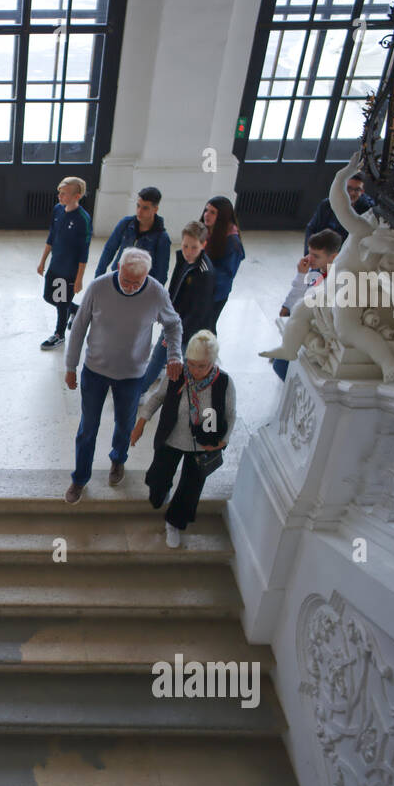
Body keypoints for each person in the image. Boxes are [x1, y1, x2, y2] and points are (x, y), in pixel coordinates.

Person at [63, 248, 183, 504]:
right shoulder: (98, 287)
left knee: (124, 425)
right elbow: (79, 326)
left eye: (136, 282)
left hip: (131, 375)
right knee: (88, 428)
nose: (129, 287)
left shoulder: (156, 293)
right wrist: (71, 366)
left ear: (147, 277)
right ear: (118, 267)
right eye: (126, 280)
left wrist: (175, 355)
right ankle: (80, 478)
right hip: (95, 371)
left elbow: (173, 324)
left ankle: (118, 460)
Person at [130, 330, 235, 548]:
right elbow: (157, 397)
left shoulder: (223, 382)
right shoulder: (176, 373)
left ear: (213, 362)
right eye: (192, 364)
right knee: (158, 481)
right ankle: (162, 491)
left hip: (203, 445)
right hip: (171, 439)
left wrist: (222, 442)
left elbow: (230, 414)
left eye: (202, 366)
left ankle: (174, 523)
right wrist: (141, 423)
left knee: (190, 488)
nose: (195, 370)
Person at [139, 220, 215, 391]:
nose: (188, 251)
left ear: (204, 245)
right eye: (186, 246)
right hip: (173, 322)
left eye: (194, 247)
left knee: (180, 370)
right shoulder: (183, 258)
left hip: (186, 332)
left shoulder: (204, 273)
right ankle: (140, 391)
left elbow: (198, 313)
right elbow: (174, 290)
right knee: (157, 359)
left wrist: (175, 335)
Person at [271, 228, 342, 381]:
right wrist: (301, 275)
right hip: (302, 326)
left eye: (316, 256)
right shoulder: (317, 272)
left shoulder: (336, 280)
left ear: (333, 257)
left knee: (281, 366)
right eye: (309, 253)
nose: (310, 259)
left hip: (316, 334)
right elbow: (301, 297)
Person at [37, 176, 92, 349]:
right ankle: (74, 309)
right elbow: (51, 237)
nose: (60, 197)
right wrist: (42, 261)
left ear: (77, 196)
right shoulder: (58, 210)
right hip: (55, 265)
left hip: (69, 270)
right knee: (48, 296)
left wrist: (79, 278)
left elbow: (84, 251)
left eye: (64, 194)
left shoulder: (83, 219)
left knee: (61, 303)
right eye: (59, 193)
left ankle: (59, 334)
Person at [94, 187, 171, 288]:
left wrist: (152, 295)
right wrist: (97, 280)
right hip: (118, 278)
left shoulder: (162, 238)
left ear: (155, 209)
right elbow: (109, 250)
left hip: (141, 286)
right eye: (138, 206)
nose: (139, 211)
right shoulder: (125, 224)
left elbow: (162, 273)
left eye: (145, 208)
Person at [303, 173, 373, 254]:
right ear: (342, 188)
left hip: (345, 253)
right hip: (324, 249)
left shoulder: (367, 210)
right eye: (349, 188)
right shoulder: (327, 205)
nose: (352, 193)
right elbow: (311, 228)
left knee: (331, 266)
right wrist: (308, 254)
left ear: (362, 191)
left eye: (357, 190)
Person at [201, 196, 244, 328]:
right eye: (206, 210)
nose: (206, 215)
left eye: (213, 212)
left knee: (207, 327)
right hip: (201, 289)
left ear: (222, 216)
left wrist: (201, 273)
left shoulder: (232, 243)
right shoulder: (204, 230)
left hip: (214, 294)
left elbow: (226, 275)